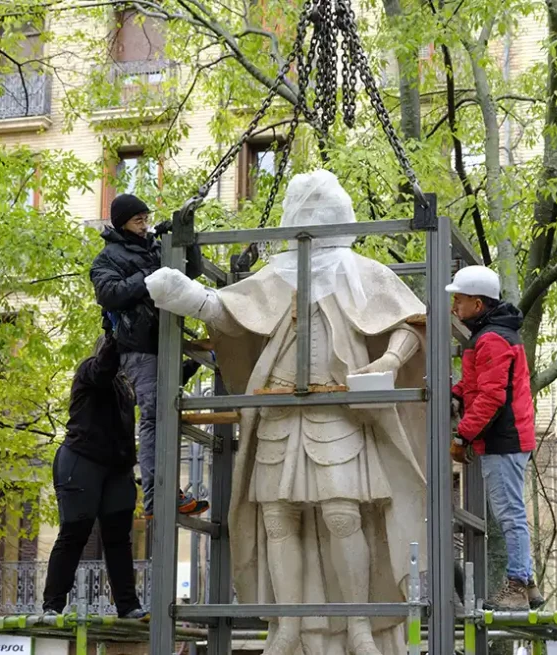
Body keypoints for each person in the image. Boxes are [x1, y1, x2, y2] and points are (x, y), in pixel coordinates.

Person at [144, 170, 427, 655]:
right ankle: (289, 624)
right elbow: (230, 310)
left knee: (343, 515)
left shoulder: (361, 271)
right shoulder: (276, 274)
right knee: (276, 519)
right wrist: (188, 297)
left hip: (339, 408)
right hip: (276, 409)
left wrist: (389, 360)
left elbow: (412, 322)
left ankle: (359, 625)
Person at [90, 193, 207, 519]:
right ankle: (159, 497)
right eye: (137, 220)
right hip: (137, 349)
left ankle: (168, 492)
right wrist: (151, 276)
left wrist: (184, 240)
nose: (144, 225)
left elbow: (192, 272)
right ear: (122, 223)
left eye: (145, 219)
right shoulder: (107, 258)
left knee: (167, 416)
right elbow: (110, 294)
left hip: (166, 344)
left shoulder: (157, 247)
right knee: (155, 418)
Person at [447, 265, 545, 611]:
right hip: (508, 438)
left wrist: (463, 434)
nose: (454, 307)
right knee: (511, 513)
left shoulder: (490, 339)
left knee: (509, 515)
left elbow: (491, 397)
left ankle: (517, 585)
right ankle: (527, 584)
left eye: (458, 300)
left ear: (477, 303)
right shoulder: (495, 335)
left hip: (504, 440)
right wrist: (457, 392)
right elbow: (480, 386)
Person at [42, 330, 147, 618]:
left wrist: (193, 363)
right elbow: (104, 369)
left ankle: (127, 605)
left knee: (118, 539)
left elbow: (152, 387)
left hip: (116, 468)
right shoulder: (90, 370)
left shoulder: (126, 388)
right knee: (75, 532)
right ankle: (52, 604)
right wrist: (117, 335)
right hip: (82, 460)